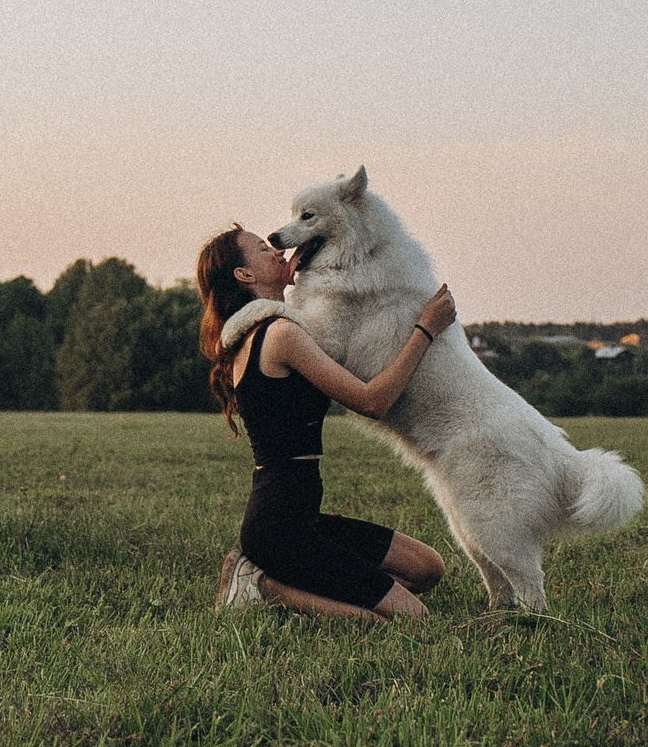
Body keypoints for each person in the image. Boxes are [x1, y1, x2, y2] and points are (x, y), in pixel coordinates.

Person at [195, 226, 454, 621]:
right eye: (264, 250)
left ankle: (310, 584)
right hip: (279, 529)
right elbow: (373, 401)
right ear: (244, 275)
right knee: (410, 620)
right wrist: (425, 329)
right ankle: (263, 587)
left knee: (426, 568)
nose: (278, 252)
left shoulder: (259, 331)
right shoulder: (280, 334)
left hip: (302, 518)